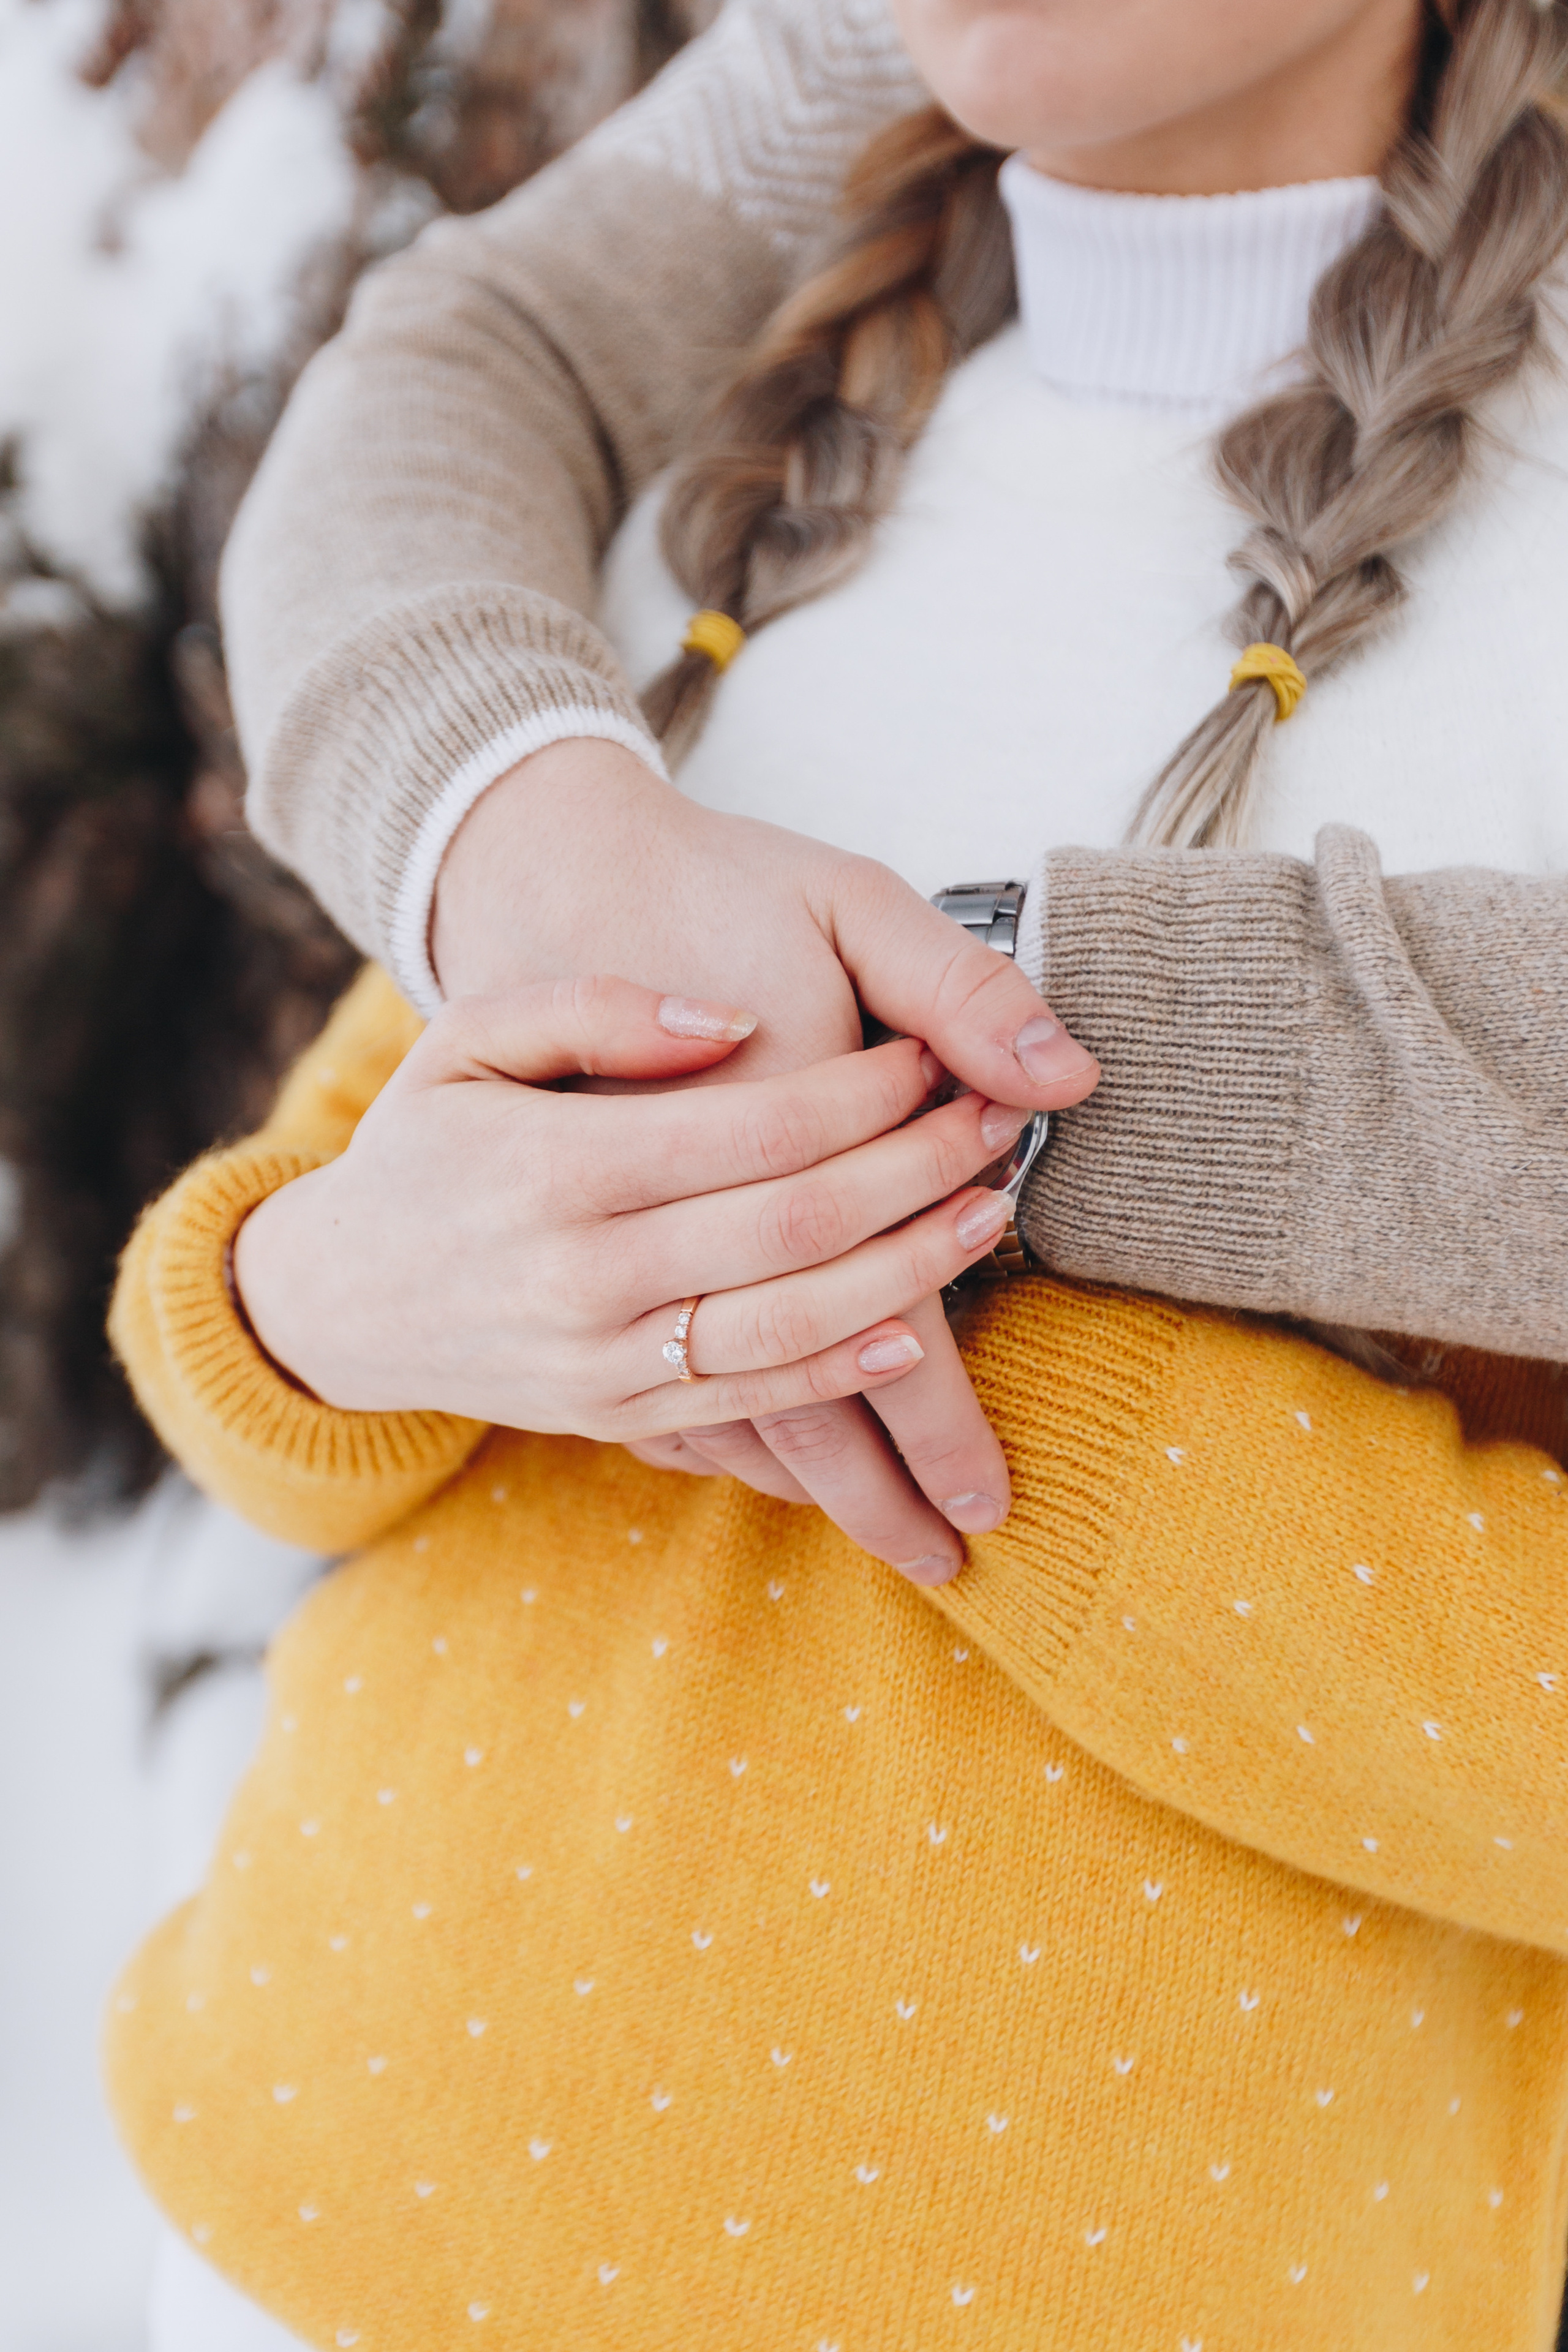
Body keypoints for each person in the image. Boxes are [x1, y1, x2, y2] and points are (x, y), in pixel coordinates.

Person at [109, 0, 1568, 2344]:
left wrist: (964, 1375)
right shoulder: (737, 446)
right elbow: (288, 1320)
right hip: (294, 2233)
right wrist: (321, 1305)